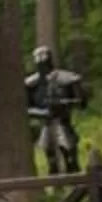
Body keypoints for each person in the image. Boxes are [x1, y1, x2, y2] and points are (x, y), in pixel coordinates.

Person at [24, 44, 87, 176]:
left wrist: (63, 104)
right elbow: (26, 108)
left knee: (70, 155)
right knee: (51, 159)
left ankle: (74, 181)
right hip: (46, 122)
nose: (42, 65)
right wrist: (41, 112)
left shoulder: (65, 78)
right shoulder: (32, 83)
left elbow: (81, 102)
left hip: (63, 120)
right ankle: (57, 187)